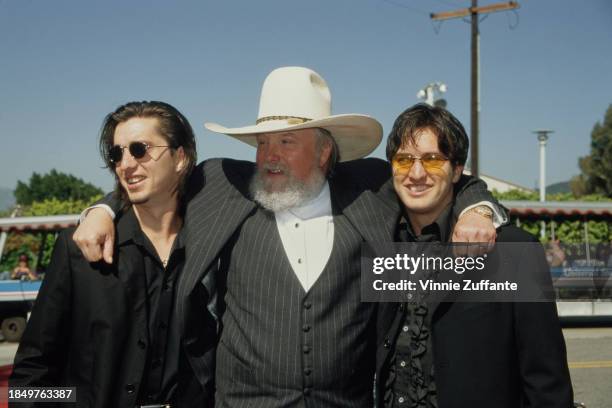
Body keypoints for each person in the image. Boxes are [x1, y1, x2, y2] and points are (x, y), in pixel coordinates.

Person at [74, 67, 505, 407]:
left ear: (324, 150)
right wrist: (102, 208)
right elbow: (150, 178)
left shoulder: (372, 189)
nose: (269, 156)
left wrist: (478, 207)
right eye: (262, 143)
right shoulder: (221, 184)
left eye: (286, 141)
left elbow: (445, 177)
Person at [10, 101, 214, 407]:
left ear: (180, 157)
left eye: (139, 149)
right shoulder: (78, 248)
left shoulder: (213, 246)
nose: (125, 164)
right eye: (116, 153)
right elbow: (28, 377)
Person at [375, 104, 573, 408]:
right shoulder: (377, 241)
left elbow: (546, 381)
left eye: (432, 160)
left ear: (456, 170)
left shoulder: (513, 252)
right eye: (404, 160)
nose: (416, 174)